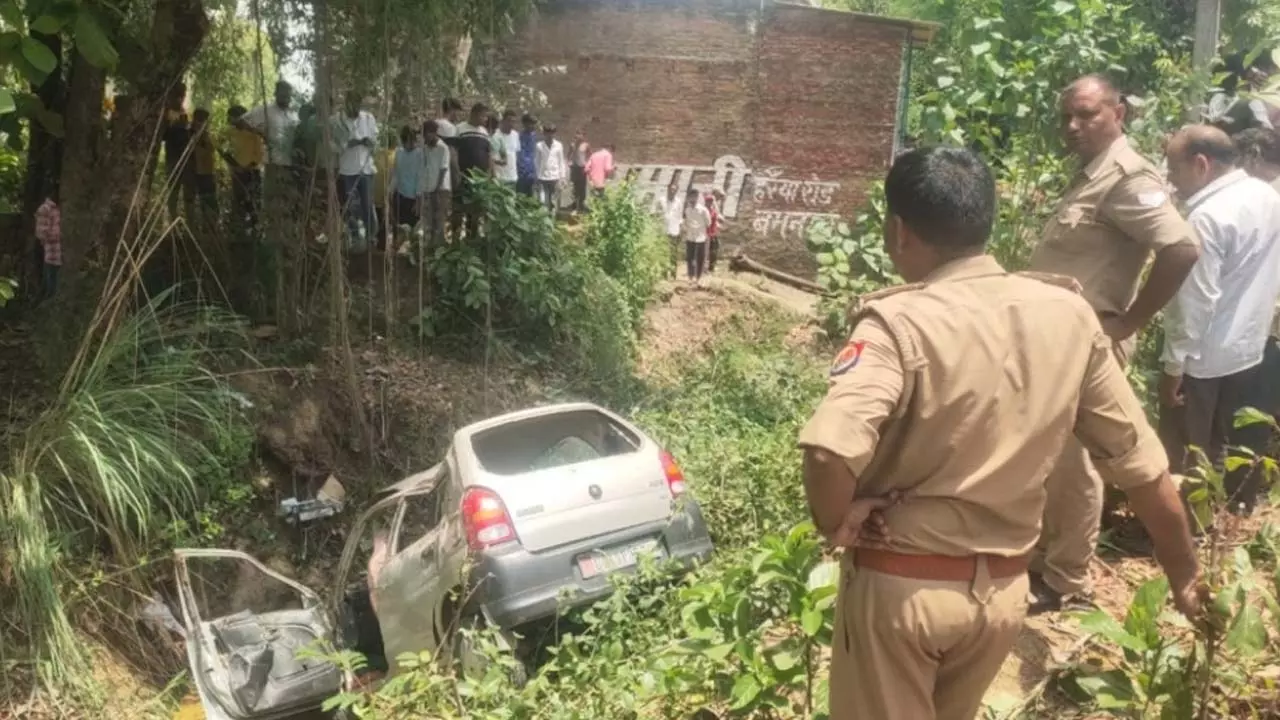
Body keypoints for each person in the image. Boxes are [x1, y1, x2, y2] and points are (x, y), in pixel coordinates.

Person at [798, 145, 1203, 720]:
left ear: (898, 232)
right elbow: (1141, 465)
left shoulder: (899, 321)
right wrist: (1185, 574)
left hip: (901, 588)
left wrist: (836, 521)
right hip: (1002, 599)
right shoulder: (1067, 316)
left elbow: (827, 451)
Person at [1025, 74, 1199, 614]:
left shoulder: (1126, 178)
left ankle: (1067, 582)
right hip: (1056, 344)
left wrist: (1129, 323)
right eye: (1067, 118)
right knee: (1052, 459)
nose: (1072, 126)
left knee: (1075, 463)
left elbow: (1181, 248)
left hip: (1087, 345)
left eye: (1086, 114)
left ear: (1118, 112)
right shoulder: (1091, 177)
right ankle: (1046, 560)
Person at [1159, 125, 1280, 518]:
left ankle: (1188, 528)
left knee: (1189, 448)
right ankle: (1225, 518)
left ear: (1201, 164)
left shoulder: (1206, 217)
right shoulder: (1266, 194)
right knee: (1224, 443)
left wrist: (1173, 367)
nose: (1170, 180)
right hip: (1248, 344)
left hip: (1204, 356)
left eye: (1174, 169)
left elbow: (1193, 301)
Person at [239, 81, 301, 241]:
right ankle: (271, 240)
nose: (285, 97)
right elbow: (241, 121)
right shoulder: (266, 110)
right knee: (273, 205)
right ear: (276, 93)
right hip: (273, 164)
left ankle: (286, 239)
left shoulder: (293, 115)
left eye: (288, 94)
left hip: (290, 167)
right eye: (282, 93)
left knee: (288, 205)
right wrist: (261, 133)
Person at [331, 89, 379, 251]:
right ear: (346, 104)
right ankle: (354, 236)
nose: (356, 108)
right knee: (349, 206)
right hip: (347, 169)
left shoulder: (368, 118)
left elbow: (375, 141)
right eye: (352, 104)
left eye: (358, 105)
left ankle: (372, 238)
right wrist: (348, 144)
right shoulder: (337, 120)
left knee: (367, 205)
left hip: (366, 168)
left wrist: (368, 142)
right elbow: (333, 146)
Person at [452, 103, 493, 243]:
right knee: (459, 209)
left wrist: (489, 174)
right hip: (463, 176)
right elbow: (454, 152)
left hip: (479, 180)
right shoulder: (460, 129)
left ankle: (472, 239)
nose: (486, 119)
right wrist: (456, 171)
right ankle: (456, 240)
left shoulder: (484, 132)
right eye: (484, 116)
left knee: (475, 210)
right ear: (475, 114)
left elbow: (489, 154)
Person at [222, 105, 264, 239]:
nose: (230, 119)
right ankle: (240, 232)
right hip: (237, 172)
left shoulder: (253, 134)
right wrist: (233, 164)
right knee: (239, 200)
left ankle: (256, 230)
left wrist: (248, 167)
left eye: (233, 117)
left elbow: (259, 154)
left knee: (252, 200)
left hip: (252, 172)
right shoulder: (230, 132)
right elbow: (221, 147)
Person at [419, 120, 452, 259]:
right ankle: (430, 250)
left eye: (426, 135)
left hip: (441, 189)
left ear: (432, 133)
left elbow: (443, 169)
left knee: (439, 220)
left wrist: (436, 189)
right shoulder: (425, 148)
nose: (424, 138)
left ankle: (439, 253)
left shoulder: (443, 148)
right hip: (429, 188)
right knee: (429, 221)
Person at [161, 83, 193, 222]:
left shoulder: (183, 112)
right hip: (173, 156)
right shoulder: (166, 112)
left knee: (188, 191)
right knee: (173, 189)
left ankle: (190, 222)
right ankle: (172, 221)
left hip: (185, 157)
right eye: (179, 95)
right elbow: (163, 135)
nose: (181, 98)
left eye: (183, 95)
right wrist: (176, 126)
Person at [392, 125, 424, 247]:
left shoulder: (419, 154)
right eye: (408, 142)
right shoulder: (399, 152)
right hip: (400, 194)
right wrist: (390, 191)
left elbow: (420, 177)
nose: (411, 144)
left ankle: (412, 252)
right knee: (399, 226)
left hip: (413, 197)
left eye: (413, 141)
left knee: (413, 229)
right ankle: (395, 249)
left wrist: (418, 199)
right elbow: (395, 173)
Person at [189, 108, 219, 238]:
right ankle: (194, 229)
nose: (204, 124)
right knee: (195, 200)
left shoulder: (207, 134)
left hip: (207, 171)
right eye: (202, 121)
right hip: (195, 172)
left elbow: (211, 150)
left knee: (210, 199)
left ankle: (211, 226)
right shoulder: (190, 134)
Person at [535, 124, 567, 213]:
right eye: (548, 133)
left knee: (555, 201)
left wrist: (563, 177)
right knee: (544, 202)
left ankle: (554, 221)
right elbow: (537, 162)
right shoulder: (539, 146)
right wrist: (537, 177)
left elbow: (561, 162)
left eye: (552, 133)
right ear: (544, 133)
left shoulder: (558, 145)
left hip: (555, 177)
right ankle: (545, 221)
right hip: (543, 177)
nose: (550, 135)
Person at [682, 189, 712, 287]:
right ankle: (690, 278)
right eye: (691, 196)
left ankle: (698, 278)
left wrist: (699, 228)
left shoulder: (703, 210)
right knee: (690, 258)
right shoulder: (687, 210)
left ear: (697, 197)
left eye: (695, 196)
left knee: (700, 259)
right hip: (690, 237)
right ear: (689, 197)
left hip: (700, 237)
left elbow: (708, 223)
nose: (692, 198)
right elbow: (686, 222)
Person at [35, 193, 60, 299]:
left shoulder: (56, 208)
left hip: (58, 253)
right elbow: (41, 232)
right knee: (51, 284)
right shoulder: (45, 208)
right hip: (52, 252)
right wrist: (55, 236)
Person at [658, 183, 683, 279]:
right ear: (668, 189)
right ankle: (663, 275)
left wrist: (680, 231)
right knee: (663, 253)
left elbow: (680, 217)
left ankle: (673, 274)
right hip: (663, 230)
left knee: (673, 254)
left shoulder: (679, 202)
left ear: (676, 191)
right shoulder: (661, 201)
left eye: (674, 190)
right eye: (671, 189)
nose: (672, 191)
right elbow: (657, 215)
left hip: (674, 231)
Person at [494, 109, 521, 191]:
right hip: (499, 179)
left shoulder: (516, 135)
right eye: (509, 121)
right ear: (503, 121)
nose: (511, 124)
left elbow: (516, 154)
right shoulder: (496, 135)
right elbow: (491, 157)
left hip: (513, 178)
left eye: (513, 121)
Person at [584, 143, 616, 207]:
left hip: (592, 181)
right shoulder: (608, 154)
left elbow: (586, 168)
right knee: (601, 201)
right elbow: (607, 168)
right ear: (610, 149)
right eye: (612, 151)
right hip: (601, 182)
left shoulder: (594, 154)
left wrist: (590, 178)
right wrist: (614, 167)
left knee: (593, 200)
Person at [517, 113, 539, 197]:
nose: (533, 126)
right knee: (521, 196)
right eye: (531, 123)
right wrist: (522, 168)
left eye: (534, 123)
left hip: (532, 172)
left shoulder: (534, 136)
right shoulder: (520, 137)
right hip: (522, 172)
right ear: (525, 124)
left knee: (531, 196)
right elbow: (520, 154)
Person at [570, 128, 591, 213]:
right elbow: (568, 155)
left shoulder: (586, 145)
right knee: (575, 185)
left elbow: (590, 155)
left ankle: (582, 203)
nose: (579, 136)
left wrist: (587, 164)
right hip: (574, 167)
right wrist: (568, 162)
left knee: (582, 186)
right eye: (577, 134)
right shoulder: (572, 145)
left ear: (584, 136)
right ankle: (575, 202)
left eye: (581, 134)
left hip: (582, 168)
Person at [705, 189, 725, 274]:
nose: (721, 198)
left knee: (714, 248)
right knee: (712, 249)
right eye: (720, 196)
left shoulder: (715, 203)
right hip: (709, 231)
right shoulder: (712, 202)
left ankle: (711, 267)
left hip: (713, 230)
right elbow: (716, 215)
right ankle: (709, 268)